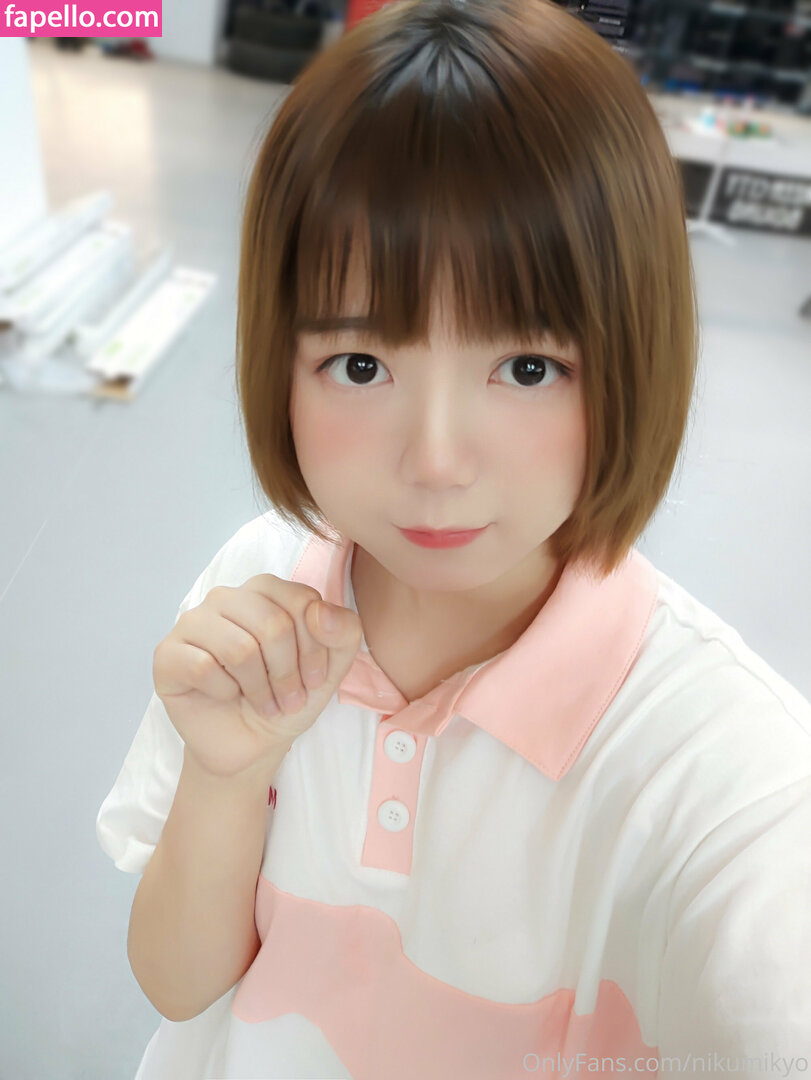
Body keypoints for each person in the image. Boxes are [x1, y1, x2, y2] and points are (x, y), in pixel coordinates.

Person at [96, 0, 811, 1077]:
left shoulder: (728, 775)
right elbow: (178, 985)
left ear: (636, 354)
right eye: (361, 366)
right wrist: (226, 777)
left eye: (526, 368)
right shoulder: (258, 591)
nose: (435, 460)